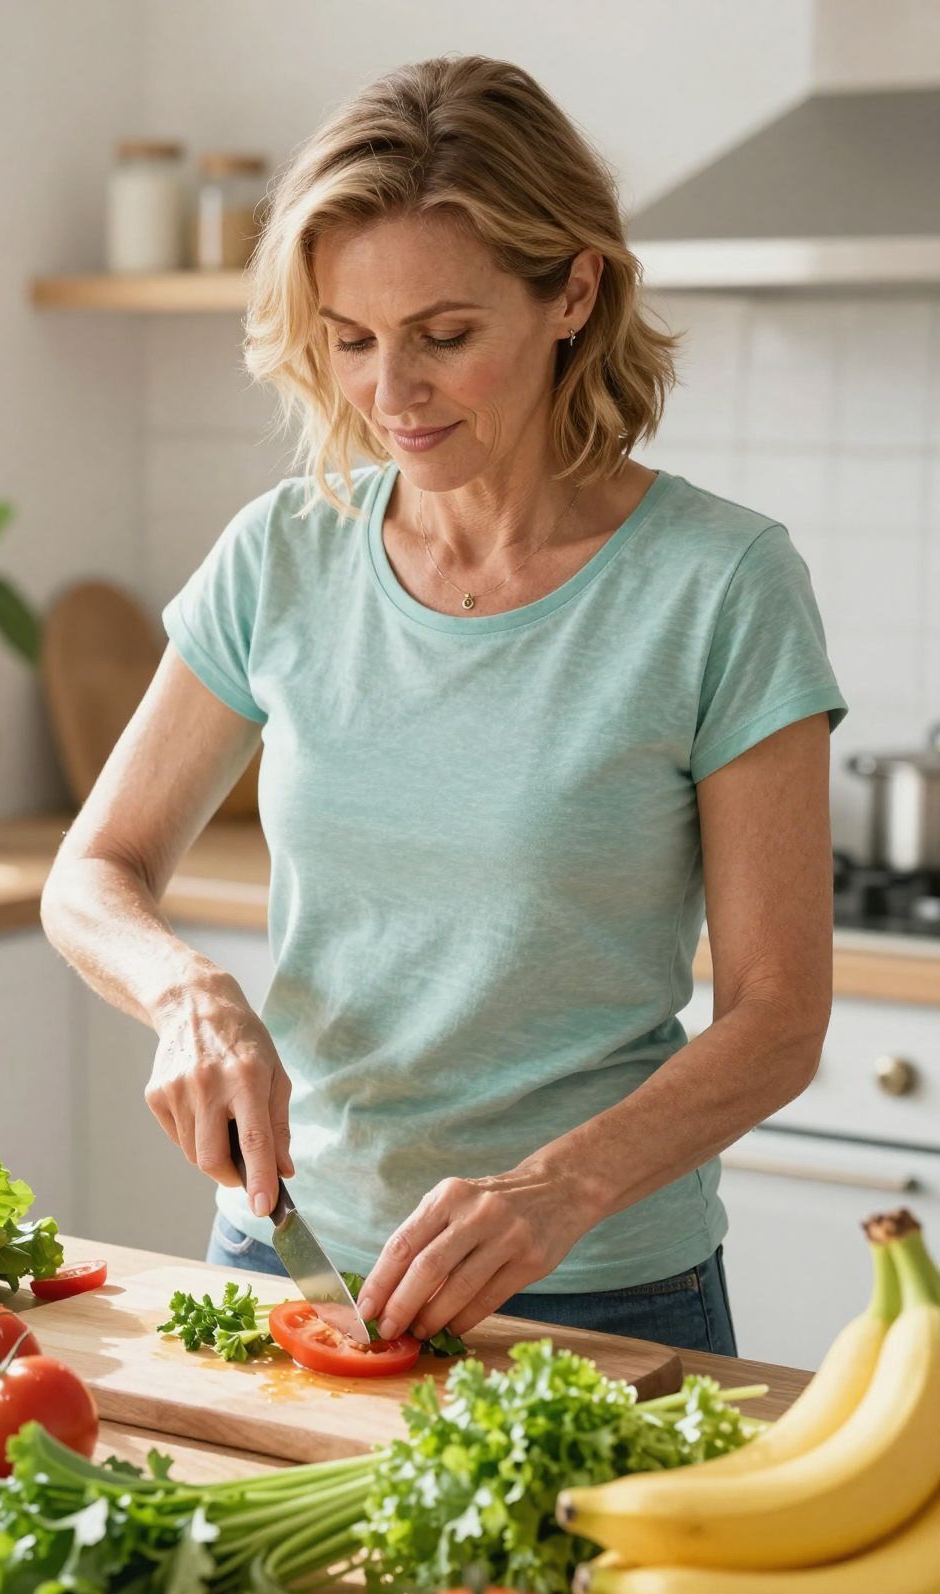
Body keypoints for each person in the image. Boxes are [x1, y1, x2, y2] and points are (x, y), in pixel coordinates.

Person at [41, 54, 847, 1359]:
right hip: (283, 1257)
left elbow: (777, 1019)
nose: (390, 394)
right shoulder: (284, 552)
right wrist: (184, 991)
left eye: (445, 335)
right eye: (351, 339)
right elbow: (94, 872)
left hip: (592, 1286)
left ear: (573, 290)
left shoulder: (722, 586)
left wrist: (554, 1192)